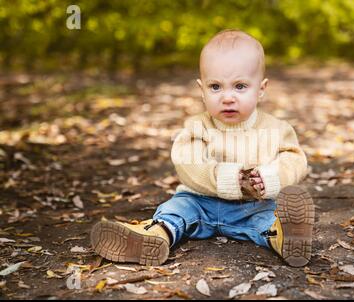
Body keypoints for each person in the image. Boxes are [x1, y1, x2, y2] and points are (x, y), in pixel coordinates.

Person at [90, 29, 315, 267]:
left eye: (240, 86)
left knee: (269, 219)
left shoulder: (276, 129)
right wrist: (226, 178)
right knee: (176, 209)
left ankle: (285, 238)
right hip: (199, 201)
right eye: (216, 87)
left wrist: (271, 178)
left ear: (261, 89)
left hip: (253, 205)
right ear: (202, 90)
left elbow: (294, 159)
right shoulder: (197, 127)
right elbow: (187, 162)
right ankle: (154, 236)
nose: (227, 97)